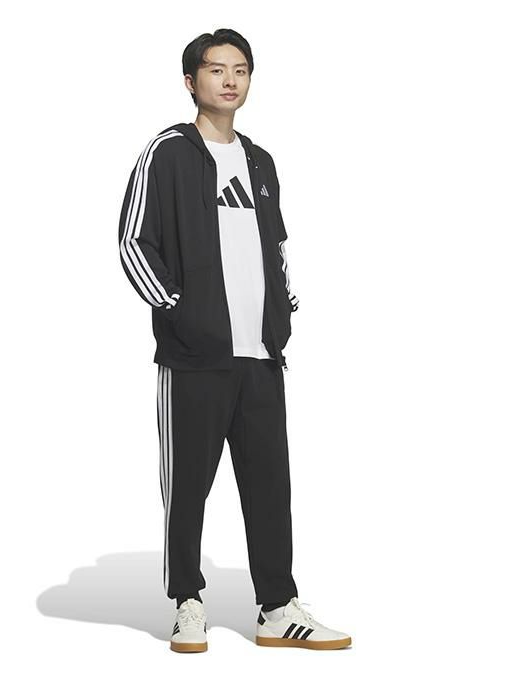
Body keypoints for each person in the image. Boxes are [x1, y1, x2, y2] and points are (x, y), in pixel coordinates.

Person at [118, 28, 351, 653]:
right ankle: (187, 602)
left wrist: (282, 317)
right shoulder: (167, 152)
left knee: (271, 487)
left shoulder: (261, 161)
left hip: (261, 356)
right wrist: (181, 311)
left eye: (240, 70)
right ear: (191, 81)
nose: (229, 80)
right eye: (216, 69)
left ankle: (277, 607)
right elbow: (134, 241)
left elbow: (277, 247)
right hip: (196, 357)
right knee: (187, 488)